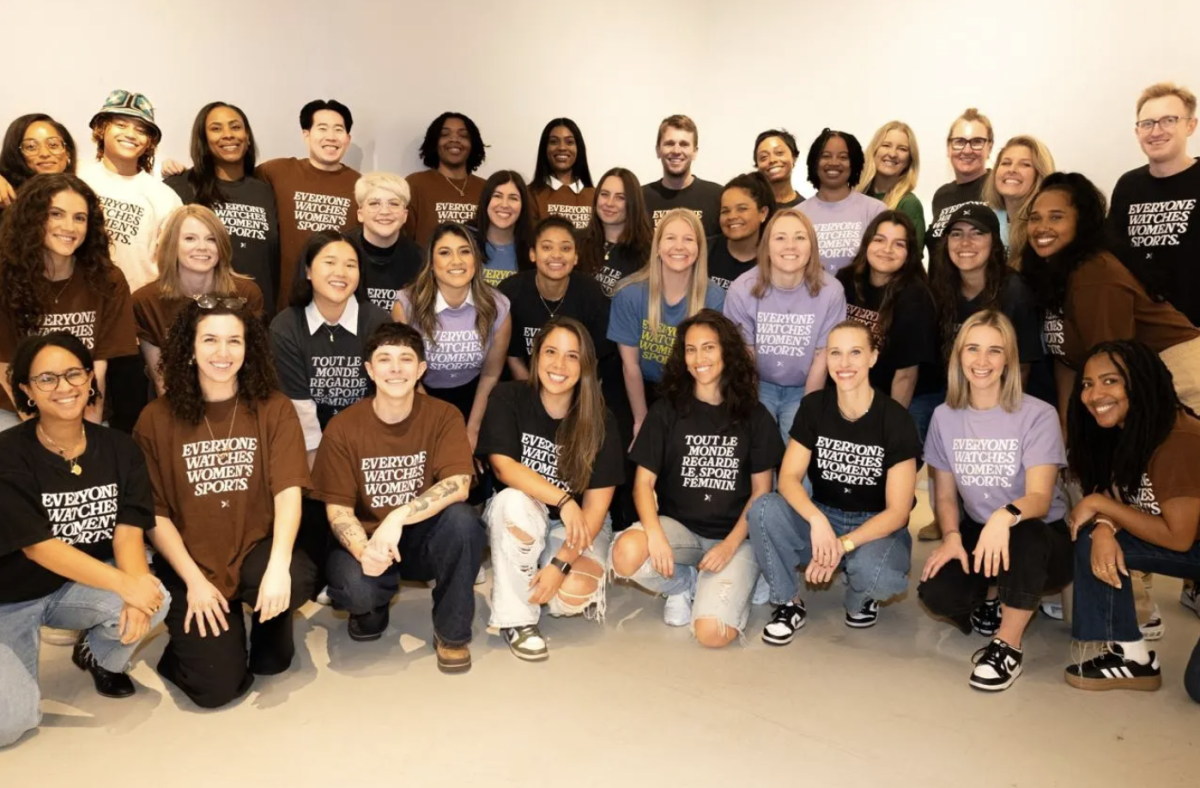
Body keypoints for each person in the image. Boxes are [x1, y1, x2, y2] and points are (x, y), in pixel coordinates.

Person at [133, 299, 315, 709]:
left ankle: (268, 629)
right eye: (210, 340)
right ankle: (191, 646)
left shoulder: (273, 408)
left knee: (297, 580)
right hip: (191, 561)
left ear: (249, 348)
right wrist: (195, 582)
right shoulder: (155, 419)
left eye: (235, 341)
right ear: (189, 348)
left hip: (253, 547)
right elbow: (155, 513)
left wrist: (278, 567)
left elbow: (289, 490)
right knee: (217, 690)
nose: (223, 352)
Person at [0, 333, 168, 748]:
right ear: (26, 390)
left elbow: (128, 528)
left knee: (154, 597)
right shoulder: (8, 452)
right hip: (9, 597)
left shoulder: (119, 448)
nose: (64, 387)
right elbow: (37, 544)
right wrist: (125, 585)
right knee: (10, 723)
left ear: (90, 378)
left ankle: (94, 653)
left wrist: (133, 590)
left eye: (74, 373)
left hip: (76, 585)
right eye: (47, 379)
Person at [311, 323, 484, 671]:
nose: (395, 368)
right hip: (367, 539)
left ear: (421, 369)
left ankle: (451, 635)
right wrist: (366, 551)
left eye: (406, 359)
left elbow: (458, 484)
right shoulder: (343, 427)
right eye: (385, 359)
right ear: (370, 370)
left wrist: (397, 517)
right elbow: (338, 508)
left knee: (464, 522)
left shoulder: (444, 415)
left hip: (419, 537)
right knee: (357, 591)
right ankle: (371, 609)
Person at [917, 311, 1072, 691]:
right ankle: (991, 595)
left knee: (1024, 534)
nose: (982, 361)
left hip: (1040, 539)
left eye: (994, 351)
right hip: (978, 530)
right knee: (936, 592)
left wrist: (1005, 516)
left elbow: (1038, 497)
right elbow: (945, 494)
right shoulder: (944, 416)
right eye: (972, 349)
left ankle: (1008, 644)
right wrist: (951, 535)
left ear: (1009, 359)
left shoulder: (1039, 414)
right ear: (958, 356)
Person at [612, 310, 780, 645]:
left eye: (709, 348)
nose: (699, 358)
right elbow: (643, 484)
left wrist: (730, 546)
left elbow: (762, 491)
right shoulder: (667, 410)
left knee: (713, 635)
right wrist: (656, 535)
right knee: (626, 553)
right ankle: (684, 584)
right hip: (682, 532)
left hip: (735, 538)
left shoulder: (754, 415)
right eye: (690, 349)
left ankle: (741, 580)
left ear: (726, 353)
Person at [749, 318, 918, 641]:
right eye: (835, 353)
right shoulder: (814, 407)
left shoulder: (895, 419)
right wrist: (816, 521)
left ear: (873, 357)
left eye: (855, 353)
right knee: (764, 509)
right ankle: (788, 602)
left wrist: (842, 545)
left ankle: (859, 597)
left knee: (880, 577)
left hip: (876, 525)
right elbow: (788, 477)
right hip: (824, 512)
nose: (844, 364)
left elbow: (898, 512)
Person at [478, 317, 624, 659]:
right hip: (528, 513)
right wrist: (563, 500)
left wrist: (561, 564)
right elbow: (502, 466)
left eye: (572, 356)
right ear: (536, 357)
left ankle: (525, 569)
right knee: (511, 501)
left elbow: (596, 510)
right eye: (551, 352)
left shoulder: (601, 418)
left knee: (568, 598)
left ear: (585, 365)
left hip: (577, 528)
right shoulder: (508, 396)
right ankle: (518, 621)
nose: (559, 365)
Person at [1062, 340, 1200, 693]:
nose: (1095, 394)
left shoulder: (1177, 438)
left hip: (1188, 542)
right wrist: (1106, 526)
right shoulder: (1130, 429)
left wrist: (1102, 507)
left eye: (1110, 381)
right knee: (1091, 539)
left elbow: (1179, 537)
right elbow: (1119, 491)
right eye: (1088, 384)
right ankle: (1131, 657)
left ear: (1138, 382)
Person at [1020, 172, 1200, 418]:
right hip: (1139, 380)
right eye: (1034, 218)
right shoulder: (1055, 273)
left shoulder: (1093, 274)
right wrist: (1064, 431)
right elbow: (1067, 361)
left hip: (1183, 378)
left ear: (1081, 222)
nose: (1042, 227)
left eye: (1056, 217)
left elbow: (1110, 364)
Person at [0, 173, 137, 429]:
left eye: (80, 218)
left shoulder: (108, 279)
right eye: (56, 214)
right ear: (32, 218)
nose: (69, 227)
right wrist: (43, 434)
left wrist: (87, 429)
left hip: (85, 407)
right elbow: (6, 368)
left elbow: (99, 367)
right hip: (17, 409)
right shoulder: (4, 277)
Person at [270, 231, 391, 465]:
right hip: (306, 448)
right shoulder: (286, 327)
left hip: (369, 443)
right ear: (307, 271)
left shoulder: (378, 322)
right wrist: (320, 468)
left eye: (351, 265)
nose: (341, 273)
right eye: (329, 262)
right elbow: (300, 407)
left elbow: (383, 396)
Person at [724, 208, 844, 442]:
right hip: (758, 385)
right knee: (755, 450)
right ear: (766, 246)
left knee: (801, 454)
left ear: (812, 246)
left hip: (804, 386)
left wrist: (809, 413)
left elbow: (822, 358)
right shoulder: (742, 289)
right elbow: (744, 357)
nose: (791, 246)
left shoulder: (831, 291)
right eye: (780, 238)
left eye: (800, 237)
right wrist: (750, 409)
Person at [608, 208, 725, 439]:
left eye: (688, 239)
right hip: (640, 389)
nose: (679, 246)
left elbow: (712, 367)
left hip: (690, 389)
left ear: (699, 248)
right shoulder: (629, 294)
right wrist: (641, 420)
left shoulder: (714, 297)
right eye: (670, 238)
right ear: (658, 247)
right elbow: (630, 366)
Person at [393, 223, 510, 449]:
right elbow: (406, 375)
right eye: (445, 252)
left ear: (475, 260)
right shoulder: (406, 305)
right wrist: (439, 427)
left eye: (465, 251)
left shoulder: (498, 306)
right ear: (431, 263)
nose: (456, 261)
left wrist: (472, 429)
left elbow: (490, 375)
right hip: (419, 397)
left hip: (475, 400)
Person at [163, 102, 281, 314]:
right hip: (197, 318)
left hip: (258, 315)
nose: (228, 135)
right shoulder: (182, 187)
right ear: (203, 139)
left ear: (247, 137)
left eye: (235, 127)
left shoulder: (266, 191)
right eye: (216, 128)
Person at [134, 204, 264, 394]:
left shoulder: (247, 294)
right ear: (172, 245)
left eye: (211, 239)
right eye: (190, 238)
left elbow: (251, 369)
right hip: (176, 403)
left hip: (235, 401)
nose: (202, 247)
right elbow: (162, 379)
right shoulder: (145, 301)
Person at [1108, 82, 1200, 326]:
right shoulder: (1128, 186)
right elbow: (1114, 259)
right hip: (1139, 331)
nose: (1156, 131)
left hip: (1193, 333)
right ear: (1137, 131)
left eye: (1169, 120)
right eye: (1147, 124)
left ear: (1191, 125)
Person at [255, 99, 360, 312]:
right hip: (282, 304)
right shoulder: (275, 172)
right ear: (306, 134)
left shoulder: (360, 185)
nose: (331, 137)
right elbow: (232, 182)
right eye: (322, 128)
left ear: (347, 139)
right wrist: (182, 173)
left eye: (338, 130)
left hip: (336, 305)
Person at [837, 211, 940, 427]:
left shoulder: (916, 296)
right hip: (858, 389)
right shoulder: (846, 280)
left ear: (909, 253)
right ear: (867, 244)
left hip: (908, 396)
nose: (887, 250)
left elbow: (906, 375)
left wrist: (889, 428)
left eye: (899, 244)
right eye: (879, 240)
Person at [76, 90, 183, 296]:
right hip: (78, 303)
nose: (131, 135)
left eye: (141, 130)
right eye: (121, 125)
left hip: (135, 308)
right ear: (101, 129)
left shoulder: (166, 197)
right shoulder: (76, 177)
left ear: (150, 142)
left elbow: (172, 266)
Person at [499, 216, 610, 380]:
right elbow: (513, 357)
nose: (556, 255)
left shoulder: (592, 294)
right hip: (523, 385)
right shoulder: (510, 292)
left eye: (565, 249)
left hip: (573, 384)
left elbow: (593, 358)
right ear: (532, 254)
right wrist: (533, 397)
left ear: (576, 257)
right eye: (547, 247)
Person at [797, 129, 886, 274]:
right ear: (814, 162)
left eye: (843, 157)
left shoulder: (875, 211)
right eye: (825, 156)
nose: (834, 163)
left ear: (854, 163)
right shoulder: (797, 214)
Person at [405, 112, 487, 249]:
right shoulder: (415, 184)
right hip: (427, 269)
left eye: (463, 135)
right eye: (444, 134)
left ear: (473, 144)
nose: (454, 139)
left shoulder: (486, 188)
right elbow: (404, 240)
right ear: (434, 142)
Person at [346, 172, 422, 312]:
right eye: (374, 204)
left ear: (405, 215)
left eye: (393, 204)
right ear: (360, 214)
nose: (385, 211)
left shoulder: (421, 260)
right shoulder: (340, 251)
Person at [926, 108, 995, 258]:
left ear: (989, 147)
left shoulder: (998, 187)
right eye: (959, 142)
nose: (967, 150)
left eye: (977, 142)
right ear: (949, 147)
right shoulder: (941, 195)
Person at [642, 115, 723, 237]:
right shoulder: (640, 198)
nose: (676, 150)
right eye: (669, 143)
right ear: (658, 150)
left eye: (684, 144)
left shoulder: (717, 196)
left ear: (695, 152)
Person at [579, 167, 653, 298]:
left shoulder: (647, 253)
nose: (609, 203)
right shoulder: (577, 241)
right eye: (604, 194)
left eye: (620, 197)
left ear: (633, 203)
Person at [980, 135, 1055, 261]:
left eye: (1025, 164)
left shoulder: (1048, 227)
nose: (1012, 170)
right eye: (1006, 163)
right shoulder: (984, 220)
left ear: (1039, 175)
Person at [858, 121, 926, 249]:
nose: (893, 154)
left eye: (902, 149)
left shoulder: (908, 204)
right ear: (874, 150)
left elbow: (912, 260)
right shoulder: (855, 196)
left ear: (909, 160)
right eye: (886, 145)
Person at [707, 171, 776, 291]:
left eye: (742, 209)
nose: (732, 216)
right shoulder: (705, 250)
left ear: (763, 213)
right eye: (725, 211)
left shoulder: (776, 259)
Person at [530, 118, 594, 229]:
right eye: (554, 142)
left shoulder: (596, 196)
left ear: (578, 148)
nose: (562, 148)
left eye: (569, 142)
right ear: (545, 149)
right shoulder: (530, 195)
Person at [474, 170, 535, 288]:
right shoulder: (465, 240)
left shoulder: (533, 247)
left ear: (523, 206)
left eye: (513, 198)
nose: (504, 205)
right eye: (497, 196)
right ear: (486, 201)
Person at [0, 114, 76, 205]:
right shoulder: (6, 198)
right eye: (31, 147)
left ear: (68, 153)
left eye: (53, 145)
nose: (45, 153)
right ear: (16, 154)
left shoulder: (82, 198)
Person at [753, 129, 804, 208]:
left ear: (793, 158)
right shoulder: (753, 209)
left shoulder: (808, 208)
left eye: (779, 153)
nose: (772, 160)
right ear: (757, 166)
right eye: (764, 157)